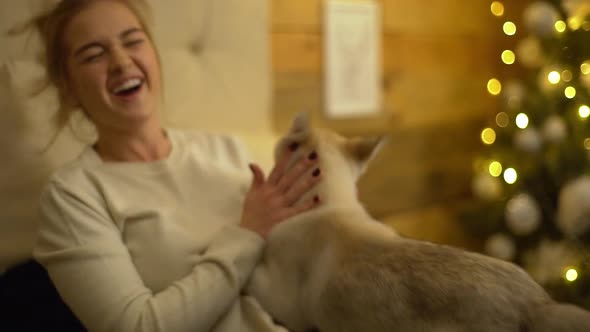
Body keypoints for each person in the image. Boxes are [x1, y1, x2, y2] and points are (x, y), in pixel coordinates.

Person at [30, 1, 322, 331]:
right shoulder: (73, 195)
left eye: (133, 41)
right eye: (94, 54)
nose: (122, 62)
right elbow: (137, 326)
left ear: (153, 54)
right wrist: (247, 236)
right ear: (68, 89)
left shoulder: (226, 149)